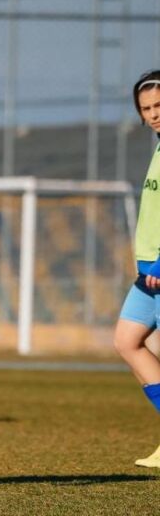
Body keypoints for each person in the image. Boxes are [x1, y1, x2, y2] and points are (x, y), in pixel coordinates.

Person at [114, 70, 160, 468]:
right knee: (127, 342)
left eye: (159, 105)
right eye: (146, 109)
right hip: (147, 274)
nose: (153, 114)